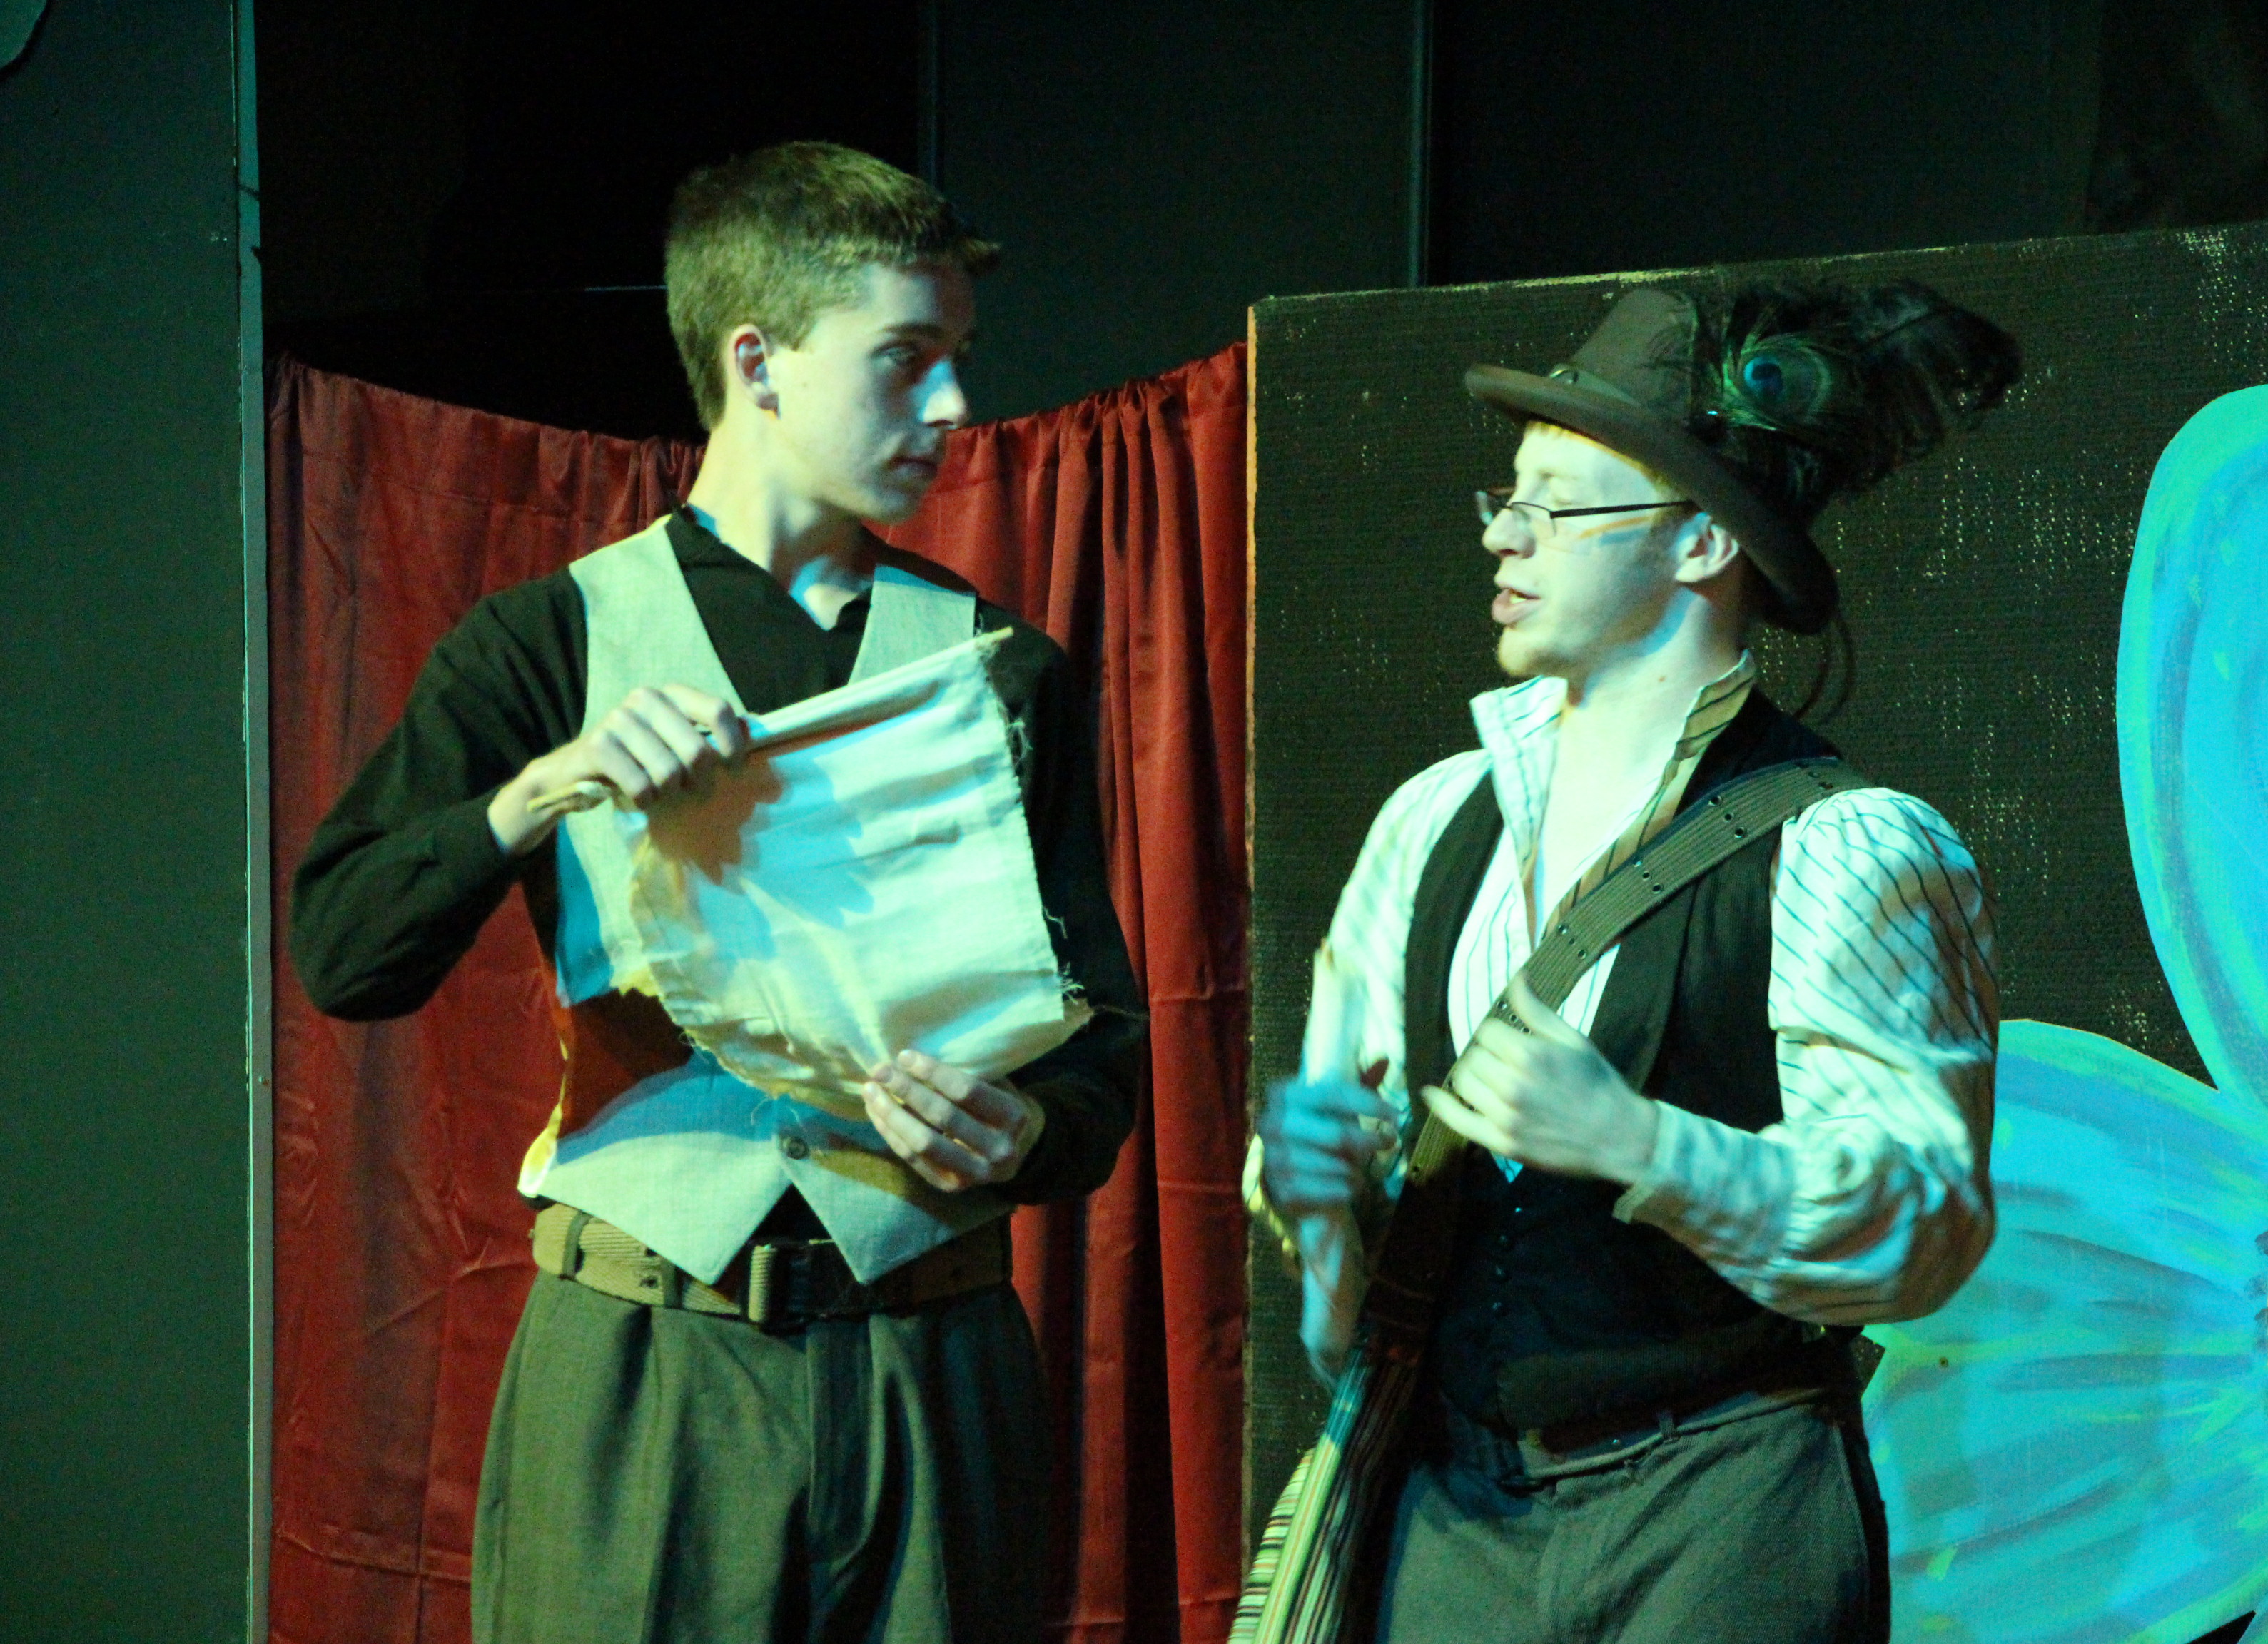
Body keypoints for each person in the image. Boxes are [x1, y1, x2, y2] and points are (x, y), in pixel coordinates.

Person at [291, 141, 1145, 1644]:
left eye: (958, 359)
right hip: (648, 1368)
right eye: (905, 359)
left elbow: (1100, 1041)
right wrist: (538, 791)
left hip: (928, 1359)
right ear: (757, 361)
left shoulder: (1000, 672)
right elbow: (347, 951)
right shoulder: (549, 642)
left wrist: (1032, 1129)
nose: (953, 405)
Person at [1250, 280, 2019, 1643]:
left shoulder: (1847, 846)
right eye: (1506, 499)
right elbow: (1348, 1268)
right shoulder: (1431, 822)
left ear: (1702, 540)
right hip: (1454, 1509)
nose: (1503, 534)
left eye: (1554, 508)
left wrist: (1643, 1144)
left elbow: (1923, 1226)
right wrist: (1324, 1187)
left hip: (1718, 1507)